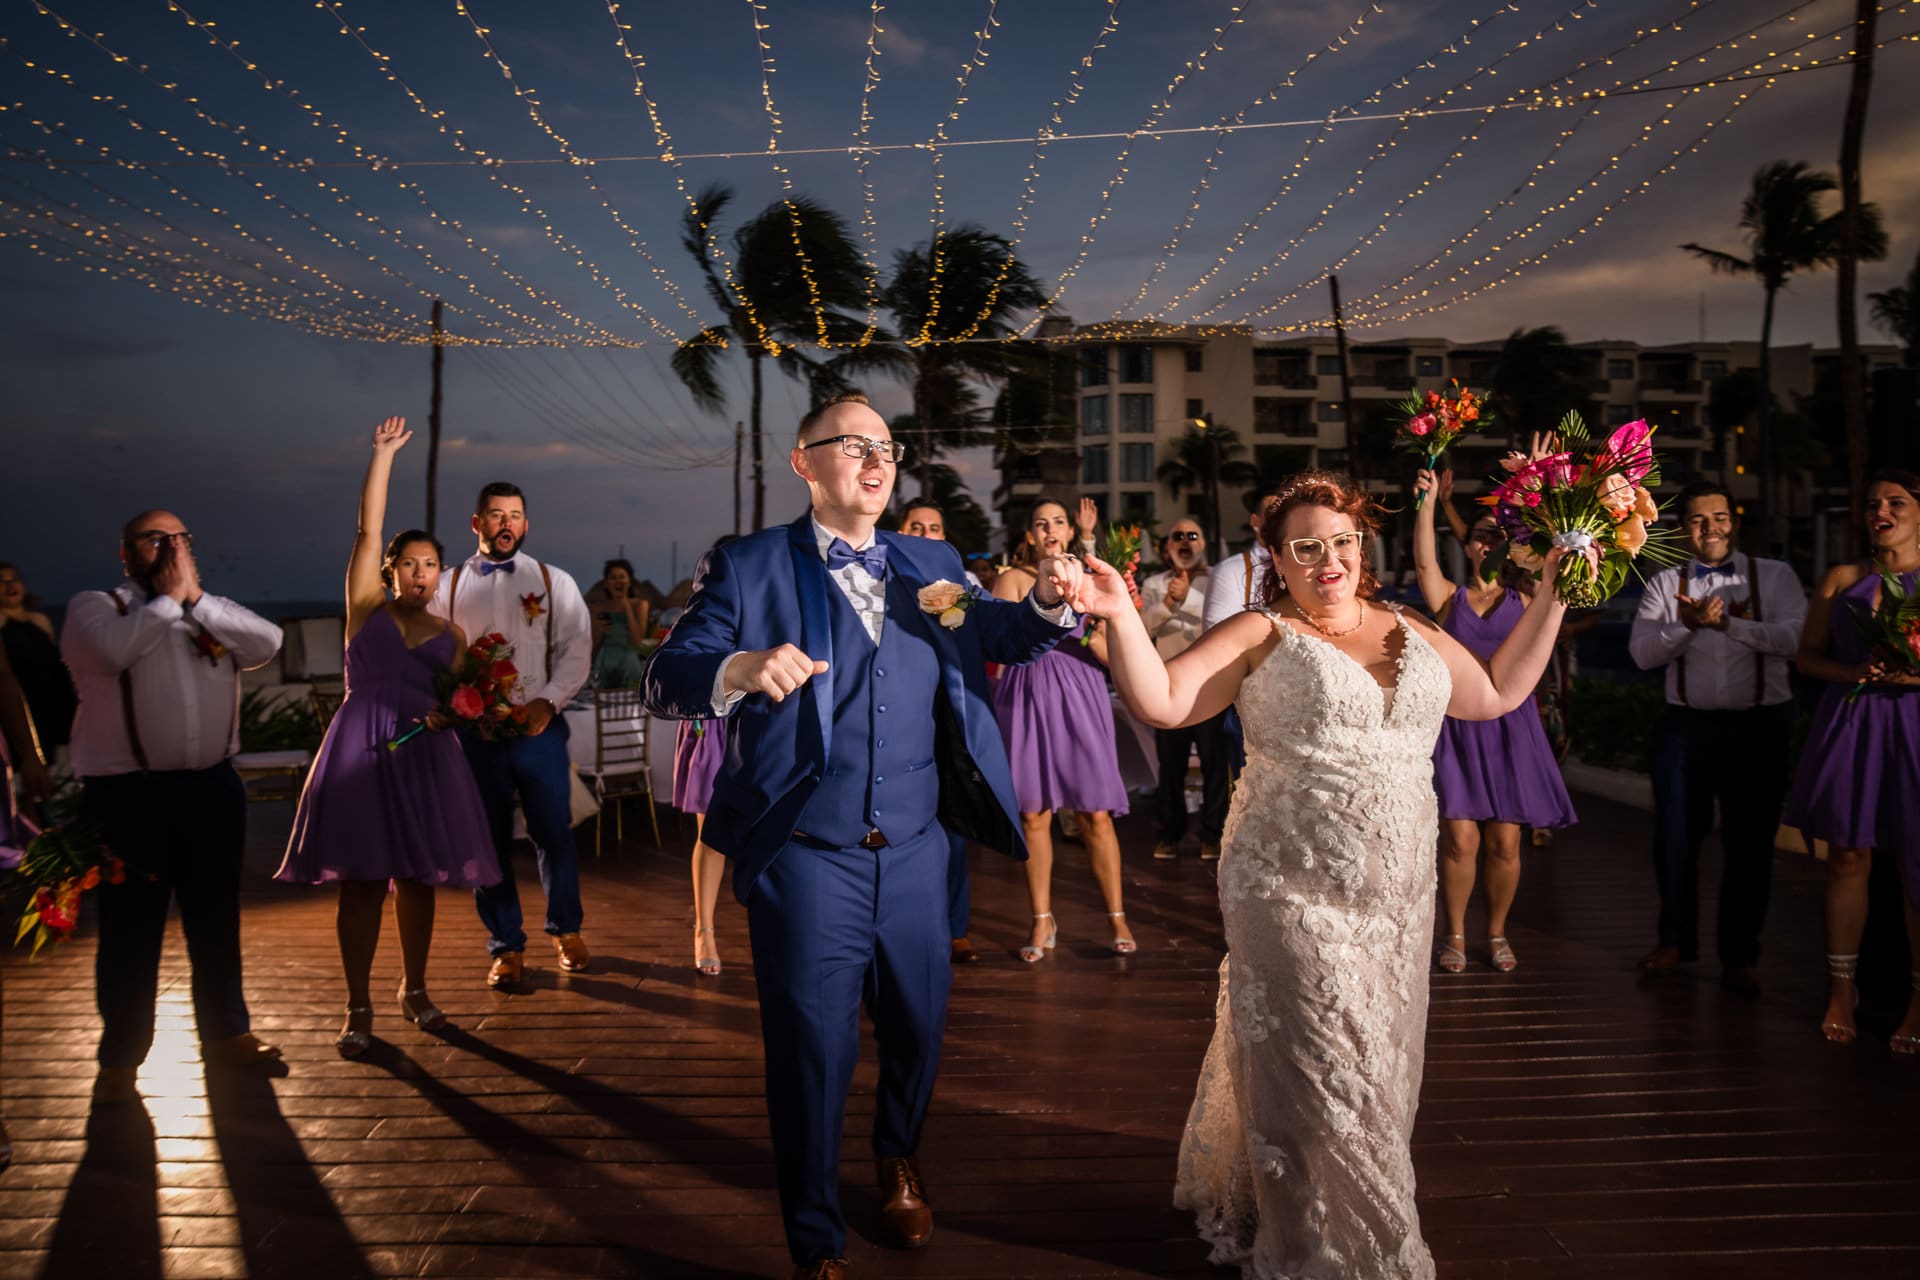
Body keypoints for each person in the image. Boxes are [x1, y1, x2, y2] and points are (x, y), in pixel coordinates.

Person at [1076, 469, 1569, 1278]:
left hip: (1397, 898)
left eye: (1342, 542)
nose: (1329, 560)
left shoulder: (1411, 624)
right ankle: (1330, 1253)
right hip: (1288, 888)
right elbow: (1164, 701)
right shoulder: (1259, 630)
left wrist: (1554, 589)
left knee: (1376, 1067)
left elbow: (1494, 694)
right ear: (1275, 556)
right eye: (1306, 547)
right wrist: (1120, 613)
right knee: (1318, 1068)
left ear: (1362, 546)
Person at [643, 391, 1080, 1280]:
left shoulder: (930, 565)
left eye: (887, 447)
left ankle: (897, 1155)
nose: (878, 461)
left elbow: (988, 631)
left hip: (919, 853)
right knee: (813, 1054)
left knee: (918, 1029)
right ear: (804, 463)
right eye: (853, 445)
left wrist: (1042, 603)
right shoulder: (750, 567)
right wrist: (739, 666)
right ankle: (815, 1239)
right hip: (809, 859)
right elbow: (667, 676)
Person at [274, 419, 501, 1055]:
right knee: (362, 882)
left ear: (440, 574)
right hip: (360, 752)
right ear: (389, 570)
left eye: (430, 565)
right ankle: (357, 1005)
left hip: (422, 758)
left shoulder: (452, 637)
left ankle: (414, 990)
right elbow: (367, 530)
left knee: (418, 878)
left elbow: (464, 702)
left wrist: (452, 714)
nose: (420, 574)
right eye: (408, 563)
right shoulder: (365, 609)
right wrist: (382, 457)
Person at [63, 509, 287, 1105]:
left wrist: (196, 602)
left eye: (181, 538)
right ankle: (120, 1061)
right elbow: (111, 654)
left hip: (211, 790)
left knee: (216, 921)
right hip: (128, 797)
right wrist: (167, 602)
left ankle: (228, 1033)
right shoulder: (95, 609)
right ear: (126, 552)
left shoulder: (208, 611)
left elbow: (267, 643)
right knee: (130, 931)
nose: (170, 547)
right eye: (155, 539)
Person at [1629, 480, 1805, 997]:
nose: (1711, 528)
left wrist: (1729, 625)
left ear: (1735, 522)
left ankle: (1740, 954)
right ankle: (1674, 941)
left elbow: (1793, 640)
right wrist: (1686, 625)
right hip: (1687, 726)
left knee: (1750, 843)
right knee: (1675, 839)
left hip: (1758, 726)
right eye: (1698, 520)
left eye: (1720, 517)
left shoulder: (1774, 576)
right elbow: (1642, 654)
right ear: (1684, 528)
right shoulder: (1666, 583)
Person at [1412, 469, 1577, 973]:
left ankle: (1498, 930)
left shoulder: (1527, 599)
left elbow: (1558, 571)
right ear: (1467, 545)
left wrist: (1544, 490)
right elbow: (1424, 560)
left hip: (1512, 729)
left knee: (1506, 844)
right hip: (1458, 728)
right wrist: (1427, 501)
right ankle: (1456, 933)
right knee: (1460, 842)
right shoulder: (1449, 600)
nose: (1488, 542)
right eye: (1480, 535)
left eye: (1498, 536)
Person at [432, 480, 592, 989]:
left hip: (537, 728)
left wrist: (549, 700)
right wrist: (446, 701)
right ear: (477, 523)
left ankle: (566, 929)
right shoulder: (447, 586)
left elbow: (577, 648)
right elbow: (430, 655)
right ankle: (505, 945)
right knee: (487, 841)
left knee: (554, 832)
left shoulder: (553, 581)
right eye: (497, 515)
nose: (507, 523)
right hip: (476, 735)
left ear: (526, 524)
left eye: (515, 515)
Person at [1786, 470, 1920, 1049]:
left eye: (1896, 502)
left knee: (1916, 863)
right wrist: (1853, 671)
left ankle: (1919, 1003)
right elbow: (1808, 658)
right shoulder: (1843, 579)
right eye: (1872, 504)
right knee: (1846, 857)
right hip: (1854, 721)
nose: (1880, 511)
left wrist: (1911, 675)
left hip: (1914, 727)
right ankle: (1842, 991)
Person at [993, 497, 1136, 959]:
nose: (1050, 529)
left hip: (1081, 693)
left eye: (1058, 522)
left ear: (1070, 533)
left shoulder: (1092, 581)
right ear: (1030, 536)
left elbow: (1110, 653)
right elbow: (1001, 642)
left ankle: (1117, 915)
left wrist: (1100, 634)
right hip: (1025, 694)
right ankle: (1041, 921)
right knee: (1033, 815)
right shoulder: (1013, 579)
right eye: (1041, 523)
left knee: (1095, 812)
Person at [897, 502, 985, 964]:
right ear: (900, 532)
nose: (926, 534)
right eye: (917, 527)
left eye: (934, 528)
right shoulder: (881, 578)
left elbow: (976, 631)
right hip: (897, 716)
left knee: (951, 825)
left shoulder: (963, 584)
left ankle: (955, 928)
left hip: (947, 714)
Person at [1139, 520, 1230, 863]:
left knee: (1214, 766)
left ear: (1203, 543)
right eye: (1178, 536)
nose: (1185, 541)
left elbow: (1219, 624)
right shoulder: (1153, 584)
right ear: (1168, 546)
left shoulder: (1217, 581)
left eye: (1193, 535)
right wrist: (1168, 601)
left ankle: (1213, 835)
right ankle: (1169, 834)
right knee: (1170, 768)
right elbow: (1144, 628)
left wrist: (1187, 597)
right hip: (1168, 690)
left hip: (1210, 688)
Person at [674, 534, 738, 977]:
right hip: (713, 724)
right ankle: (705, 930)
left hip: (766, 725)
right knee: (712, 835)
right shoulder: (702, 615)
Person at [0, 561, 77, 761]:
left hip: (59, 709)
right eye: (2, 581)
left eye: (14, 579)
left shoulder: (40, 620)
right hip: (25, 713)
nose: (10, 586)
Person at [1200, 484, 1285, 631]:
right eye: (1271, 515)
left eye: (1284, 515)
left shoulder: (1304, 566)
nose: (1278, 522)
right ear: (1254, 521)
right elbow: (1217, 633)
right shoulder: (1229, 571)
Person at [588, 558, 651, 689]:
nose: (618, 581)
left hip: (629, 661)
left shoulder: (640, 605)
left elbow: (639, 641)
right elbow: (592, 648)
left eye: (622, 577)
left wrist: (627, 607)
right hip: (604, 661)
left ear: (629, 582)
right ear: (606, 584)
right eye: (613, 577)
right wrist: (599, 629)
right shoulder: (598, 607)